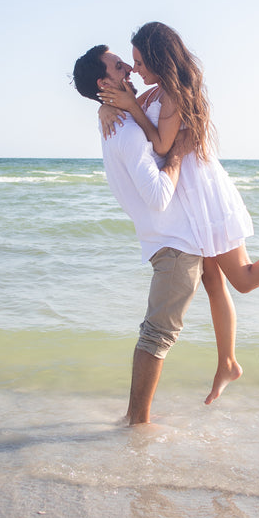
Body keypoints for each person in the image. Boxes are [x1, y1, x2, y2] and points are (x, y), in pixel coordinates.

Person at [97, 22, 259, 404]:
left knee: (243, 279)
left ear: (158, 59)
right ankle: (227, 363)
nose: (135, 69)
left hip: (202, 193)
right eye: (130, 62)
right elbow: (137, 123)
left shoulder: (170, 94)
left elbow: (161, 142)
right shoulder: (156, 90)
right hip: (186, 197)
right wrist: (109, 109)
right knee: (211, 279)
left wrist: (130, 106)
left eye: (138, 61)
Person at [72, 44, 205, 425]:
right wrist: (177, 153)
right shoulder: (126, 132)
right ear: (104, 81)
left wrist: (106, 105)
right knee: (156, 336)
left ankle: (135, 417)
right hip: (175, 243)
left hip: (167, 240)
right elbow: (160, 196)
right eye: (118, 65)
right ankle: (137, 423)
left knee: (158, 331)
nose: (129, 67)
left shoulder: (118, 120)